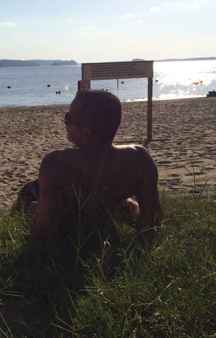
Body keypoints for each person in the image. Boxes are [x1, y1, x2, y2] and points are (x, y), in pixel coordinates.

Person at [28, 89, 163, 239]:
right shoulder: (140, 158)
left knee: (29, 194)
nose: (65, 124)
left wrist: (35, 210)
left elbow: (43, 231)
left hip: (73, 231)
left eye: (68, 119)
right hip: (110, 207)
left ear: (86, 134)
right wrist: (130, 209)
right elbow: (154, 221)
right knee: (127, 204)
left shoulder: (56, 162)